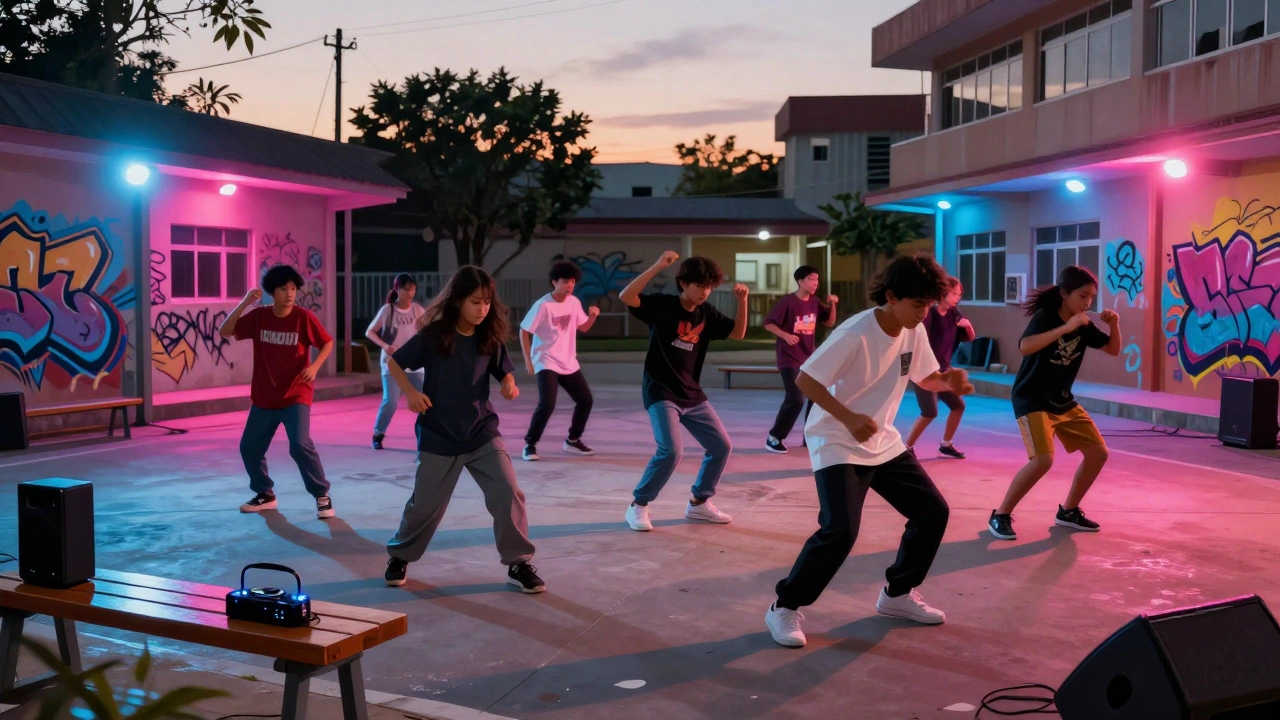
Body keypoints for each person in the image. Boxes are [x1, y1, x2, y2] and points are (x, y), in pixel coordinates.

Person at [765, 255, 974, 648]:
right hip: (838, 440)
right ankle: (784, 606)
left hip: (883, 441)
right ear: (891, 296)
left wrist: (950, 381)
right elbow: (807, 379)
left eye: (929, 304)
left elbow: (923, 374)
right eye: (917, 304)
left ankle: (896, 595)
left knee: (932, 513)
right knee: (839, 531)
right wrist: (849, 418)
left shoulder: (913, 328)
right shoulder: (856, 332)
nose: (923, 312)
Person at [382, 265, 544, 594]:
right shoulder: (435, 334)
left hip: (481, 430)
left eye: (486, 302)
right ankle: (400, 555)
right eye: (475, 302)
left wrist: (509, 383)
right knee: (425, 506)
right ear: (457, 301)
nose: (482, 309)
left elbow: (504, 371)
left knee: (507, 492)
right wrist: (411, 393)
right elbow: (394, 362)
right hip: (439, 433)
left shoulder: (488, 335)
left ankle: (518, 562)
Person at [988, 265, 1119, 541]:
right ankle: (1000, 514)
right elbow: (1025, 347)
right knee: (1043, 460)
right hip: (1031, 398)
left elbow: (1113, 349)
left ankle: (1068, 511)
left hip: (1062, 400)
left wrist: (1114, 325)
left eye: (1091, 298)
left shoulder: (1084, 323)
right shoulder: (1046, 317)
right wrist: (1066, 328)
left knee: (1099, 453)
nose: (1087, 303)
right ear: (1064, 293)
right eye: (1083, 296)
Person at [619, 251, 748, 532]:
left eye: (709, 286)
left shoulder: (707, 313)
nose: (705, 291)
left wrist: (742, 301)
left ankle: (699, 503)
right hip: (661, 391)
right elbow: (626, 297)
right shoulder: (662, 307)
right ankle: (638, 505)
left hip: (692, 394)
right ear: (683, 284)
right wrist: (656, 264)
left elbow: (738, 333)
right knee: (671, 451)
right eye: (700, 285)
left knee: (720, 446)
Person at [219, 264, 336, 519]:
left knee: (299, 444)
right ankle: (265, 494)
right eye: (284, 288)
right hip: (264, 396)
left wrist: (315, 367)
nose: (290, 293)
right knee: (249, 447)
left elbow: (327, 342)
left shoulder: (303, 318)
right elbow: (225, 330)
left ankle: (321, 495)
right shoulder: (260, 316)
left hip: (296, 395)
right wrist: (244, 303)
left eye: (293, 288)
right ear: (272, 292)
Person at [520, 261, 601, 461]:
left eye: (573, 282)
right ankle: (530, 444)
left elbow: (583, 327)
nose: (570, 285)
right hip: (546, 360)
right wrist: (529, 361)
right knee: (547, 404)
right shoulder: (543, 305)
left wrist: (593, 315)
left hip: (568, 361)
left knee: (585, 400)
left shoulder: (573, 302)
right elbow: (524, 330)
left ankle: (573, 440)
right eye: (565, 281)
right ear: (554, 282)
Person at [762, 265, 838, 454]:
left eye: (817, 280)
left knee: (815, 396)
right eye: (812, 279)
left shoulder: (815, 302)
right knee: (795, 399)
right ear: (800, 281)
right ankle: (774, 437)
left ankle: (809, 436)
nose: (815, 283)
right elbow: (768, 324)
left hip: (808, 358)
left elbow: (829, 322)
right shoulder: (787, 302)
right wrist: (785, 335)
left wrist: (833, 304)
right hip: (789, 358)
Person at [904, 276, 975, 459]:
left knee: (958, 405)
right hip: (924, 371)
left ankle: (946, 444)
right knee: (929, 412)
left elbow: (970, 337)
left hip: (943, 370)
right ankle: (907, 447)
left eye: (959, 294)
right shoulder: (928, 314)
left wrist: (967, 326)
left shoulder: (954, 314)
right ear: (943, 293)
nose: (957, 297)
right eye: (954, 293)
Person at [367, 273, 427, 450]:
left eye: (413, 289)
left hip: (415, 364)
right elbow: (370, 332)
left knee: (426, 400)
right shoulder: (388, 310)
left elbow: (426, 330)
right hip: (392, 363)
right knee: (390, 401)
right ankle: (378, 434)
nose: (410, 293)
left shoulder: (417, 310)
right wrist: (385, 346)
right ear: (397, 289)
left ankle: (428, 435)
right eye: (406, 289)